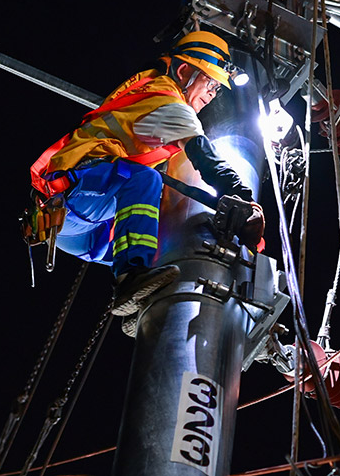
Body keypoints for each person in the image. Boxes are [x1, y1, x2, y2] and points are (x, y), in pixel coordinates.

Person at [29, 30, 264, 317]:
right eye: (210, 83)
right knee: (145, 179)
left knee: (166, 241)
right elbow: (204, 155)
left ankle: (147, 308)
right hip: (76, 197)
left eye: (217, 89)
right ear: (184, 70)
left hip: (76, 229)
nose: (212, 95)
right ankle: (130, 280)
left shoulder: (151, 92)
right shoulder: (168, 100)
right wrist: (244, 198)